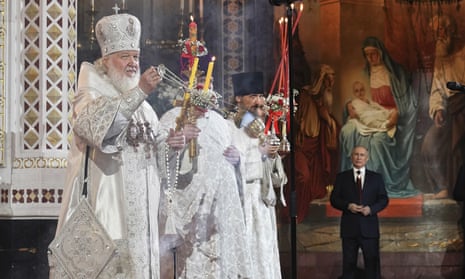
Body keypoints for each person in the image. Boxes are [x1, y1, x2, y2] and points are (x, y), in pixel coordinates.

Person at [55, 14, 162, 278]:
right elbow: (95, 129)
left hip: (143, 219)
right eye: (125, 56)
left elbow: (159, 152)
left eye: (135, 56)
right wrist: (139, 92)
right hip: (108, 214)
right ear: (105, 61)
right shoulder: (89, 93)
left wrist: (174, 142)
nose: (133, 63)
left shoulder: (145, 108)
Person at [157, 86, 252, 278]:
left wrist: (237, 159)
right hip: (184, 208)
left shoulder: (220, 122)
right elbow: (158, 158)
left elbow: (233, 159)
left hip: (216, 208)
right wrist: (178, 141)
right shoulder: (172, 117)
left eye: (208, 88)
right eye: (200, 88)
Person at [340, 36, 418, 198]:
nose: (370, 58)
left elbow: (406, 101)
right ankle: (352, 186)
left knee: (377, 142)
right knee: (349, 131)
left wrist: (396, 114)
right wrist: (349, 105)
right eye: (367, 55)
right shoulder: (367, 72)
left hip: (392, 117)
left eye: (373, 54)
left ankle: (378, 187)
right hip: (375, 114)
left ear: (381, 53)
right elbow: (361, 97)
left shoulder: (396, 73)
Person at [230, 71, 287, 279]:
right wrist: (260, 154)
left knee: (263, 252)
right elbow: (230, 167)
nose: (258, 101)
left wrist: (272, 158)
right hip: (242, 200)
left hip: (261, 202)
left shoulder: (262, 129)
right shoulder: (230, 128)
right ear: (238, 98)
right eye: (253, 96)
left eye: (261, 96)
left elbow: (277, 179)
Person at [284, 64, 340, 223]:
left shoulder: (322, 98)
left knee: (315, 183)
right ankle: (294, 215)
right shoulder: (306, 95)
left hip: (314, 147)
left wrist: (329, 122)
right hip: (302, 145)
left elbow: (327, 123)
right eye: (327, 81)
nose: (330, 85)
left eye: (331, 81)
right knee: (303, 177)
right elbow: (299, 121)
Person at [421, 14, 465, 199]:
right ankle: (443, 186)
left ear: (451, 31)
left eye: (442, 30)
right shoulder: (440, 58)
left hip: (463, 108)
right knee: (429, 145)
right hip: (449, 109)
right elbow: (437, 89)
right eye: (436, 32)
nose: (439, 35)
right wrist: (438, 109)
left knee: (458, 146)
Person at [330, 145, 389, 279]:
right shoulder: (342, 177)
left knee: (372, 266)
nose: (359, 157)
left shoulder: (376, 178)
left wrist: (371, 209)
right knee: (349, 266)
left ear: (367, 159)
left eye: (362, 155)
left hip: (369, 229)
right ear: (351, 157)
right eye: (356, 154)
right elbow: (334, 199)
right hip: (349, 229)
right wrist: (347, 206)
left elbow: (383, 199)